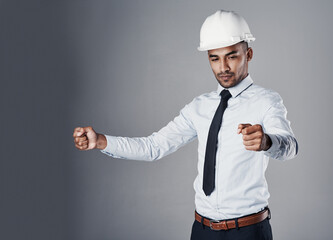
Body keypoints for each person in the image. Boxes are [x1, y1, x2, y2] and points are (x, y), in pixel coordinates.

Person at [73, 10, 298, 240]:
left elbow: (290, 146)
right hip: (202, 230)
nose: (223, 68)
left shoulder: (266, 101)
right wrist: (101, 141)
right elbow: (154, 147)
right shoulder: (199, 107)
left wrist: (266, 142)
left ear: (248, 54)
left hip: (249, 232)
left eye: (231, 56)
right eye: (214, 58)